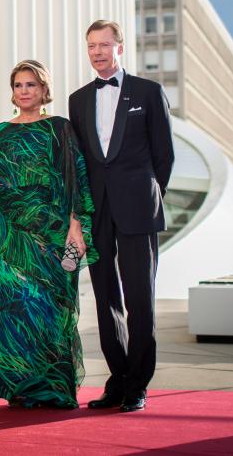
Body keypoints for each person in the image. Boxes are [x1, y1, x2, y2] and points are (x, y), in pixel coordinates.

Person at [0, 59, 97, 409]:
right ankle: (19, 385)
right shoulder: (0, 132)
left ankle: (52, 388)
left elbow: (75, 177)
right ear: (13, 92)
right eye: (19, 85)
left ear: (43, 90)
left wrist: (75, 225)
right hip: (9, 234)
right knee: (12, 307)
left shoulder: (60, 128)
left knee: (53, 309)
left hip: (52, 234)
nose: (24, 91)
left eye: (31, 85)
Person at [69, 20, 174, 413]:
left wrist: (148, 193)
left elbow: (164, 155)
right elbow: (81, 161)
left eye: (105, 45)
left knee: (140, 299)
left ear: (120, 48)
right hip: (98, 211)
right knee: (105, 297)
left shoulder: (149, 92)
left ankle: (139, 383)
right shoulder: (78, 99)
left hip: (137, 208)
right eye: (91, 45)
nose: (97, 52)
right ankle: (118, 380)